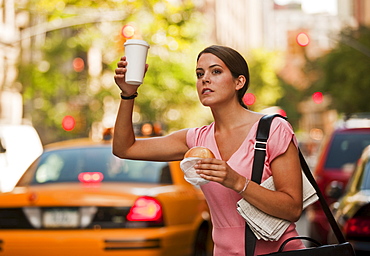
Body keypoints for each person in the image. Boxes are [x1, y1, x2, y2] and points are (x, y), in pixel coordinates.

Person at [113, 45, 305, 255]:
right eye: (199, 73)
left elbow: (293, 208)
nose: (205, 79)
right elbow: (125, 148)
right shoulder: (196, 139)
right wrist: (128, 94)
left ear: (239, 82)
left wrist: (237, 181)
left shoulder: (273, 129)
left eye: (216, 71)